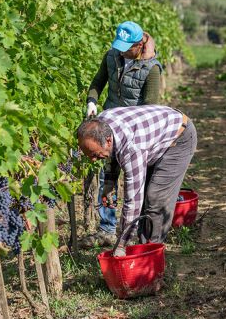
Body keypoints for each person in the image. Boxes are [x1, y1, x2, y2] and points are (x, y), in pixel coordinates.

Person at [76, 105, 197, 256]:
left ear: (108, 140)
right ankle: (142, 246)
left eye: (94, 154)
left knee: (155, 198)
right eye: (89, 155)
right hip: (154, 135)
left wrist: (122, 244)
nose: (93, 160)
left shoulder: (132, 148)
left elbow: (133, 201)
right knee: (147, 195)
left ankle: (150, 254)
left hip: (179, 137)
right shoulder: (100, 125)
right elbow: (111, 154)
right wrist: (109, 185)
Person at [83, 21, 163, 246]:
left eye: (126, 48)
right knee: (107, 178)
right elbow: (98, 82)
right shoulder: (112, 56)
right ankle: (106, 229)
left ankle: (134, 231)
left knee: (135, 183)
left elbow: (150, 108)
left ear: (139, 45)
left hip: (134, 135)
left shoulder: (151, 68)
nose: (121, 51)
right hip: (108, 129)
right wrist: (92, 101)